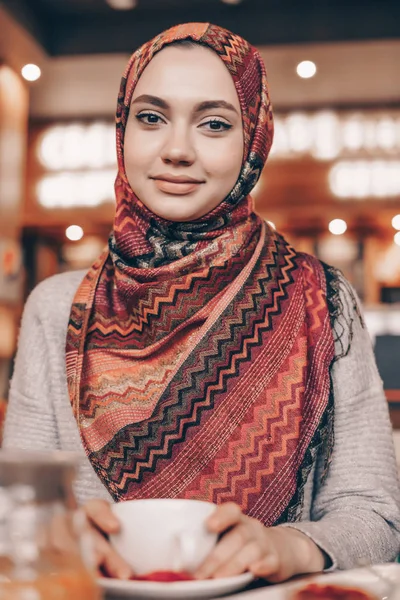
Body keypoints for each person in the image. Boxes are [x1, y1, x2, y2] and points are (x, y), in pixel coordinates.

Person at [3, 22, 400, 583]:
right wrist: (59, 535)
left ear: (254, 140)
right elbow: (17, 511)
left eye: (214, 123)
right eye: (151, 117)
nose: (177, 149)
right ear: (122, 130)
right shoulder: (55, 308)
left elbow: (377, 516)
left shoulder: (321, 298)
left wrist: (287, 546)